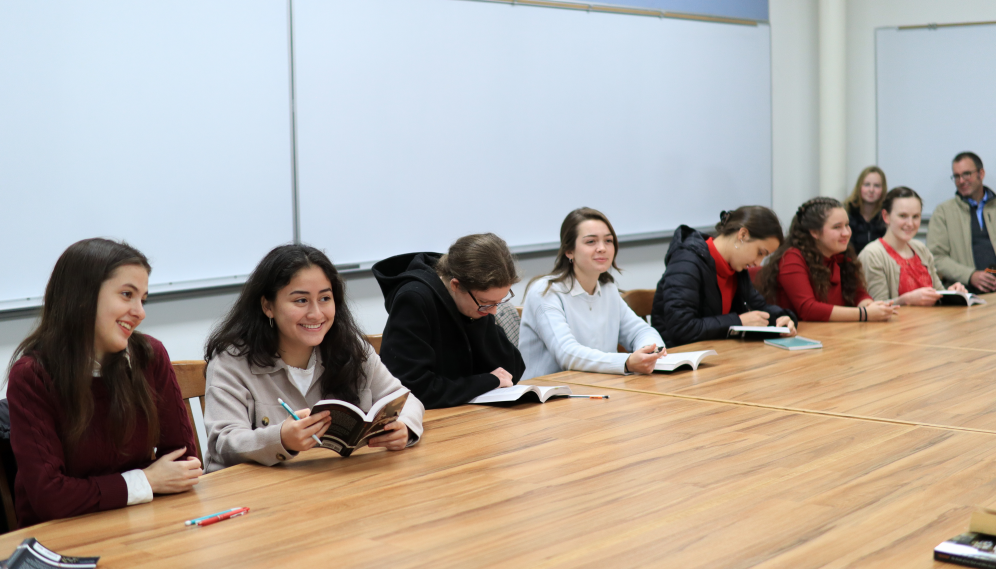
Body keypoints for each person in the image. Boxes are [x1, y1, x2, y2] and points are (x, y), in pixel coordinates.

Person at [6, 238, 200, 526]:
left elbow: (183, 465)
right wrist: (146, 480)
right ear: (82, 296)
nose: (140, 312)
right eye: (126, 294)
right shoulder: (32, 376)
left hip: (138, 523)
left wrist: (136, 486)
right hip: (59, 539)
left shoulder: (150, 355)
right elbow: (50, 498)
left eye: (142, 299)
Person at [204, 245, 423, 473]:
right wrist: (280, 438)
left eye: (325, 298)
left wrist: (404, 427)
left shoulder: (351, 348)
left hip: (335, 486)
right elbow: (223, 444)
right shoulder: (231, 361)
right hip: (252, 496)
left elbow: (406, 400)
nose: (316, 314)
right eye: (301, 301)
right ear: (268, 306)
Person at [373, 234, 525, 409]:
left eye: (499, 301)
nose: (494, 311)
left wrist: (477, 320)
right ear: (455, 285)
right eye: (486, 303)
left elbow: (512, 371)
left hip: (470, 413)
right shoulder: (414, 299)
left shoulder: (474, 304)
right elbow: (412, 388)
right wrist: (487, 381)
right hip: (428, 421)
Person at [519, 207, 664, 380]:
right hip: (548, 397)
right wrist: (626, 362)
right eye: (591, 242)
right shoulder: (545, 292)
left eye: (608, 241)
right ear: (569, 251)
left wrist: (649, 352)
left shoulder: (607, 289)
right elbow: (567, 354)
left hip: (600, 388)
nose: (602, 248)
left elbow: (640, 331)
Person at [651, 207, 798, 348]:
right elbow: (681, 328)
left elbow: (760, 308)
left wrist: (784, 319)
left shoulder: (736, 268)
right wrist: (738, 321)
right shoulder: (687, 262)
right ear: (742, 235)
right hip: (680, 360)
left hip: (718, 357)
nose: (758, 263)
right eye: (760, 252)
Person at [756, 197, 898, 322]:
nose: (846, 233)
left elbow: (858, 293)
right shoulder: (792, 258)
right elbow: (808, 309)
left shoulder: (841, 254)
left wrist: (869, 305)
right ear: (814, 232)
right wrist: (864, 314)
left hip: (833, 334)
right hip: (800, 339)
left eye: (847, 225)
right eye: (837, 227)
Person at [859, 187, 968, 304]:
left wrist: (953, 293)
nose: (910, 223)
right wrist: (905, 300)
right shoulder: (872, 255)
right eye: (903, 216)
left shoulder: (920, 249)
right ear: (886, 216)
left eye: (916, 216)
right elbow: (875, 309)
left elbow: (938, 293)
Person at [927, 152, 996, 293]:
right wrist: (969, 275)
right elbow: (936, 257)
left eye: (966, 174)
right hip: (965, 293)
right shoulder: (943, 212)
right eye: (957, 176)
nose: (961, 181)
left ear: (980, 174)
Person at [844, 166, 888, 255]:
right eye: (867, 185)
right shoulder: (846, 212)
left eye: (877, 186)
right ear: (859, 186)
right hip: (851, 264)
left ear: (883, 189)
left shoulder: (888, 215)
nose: (871, 190)